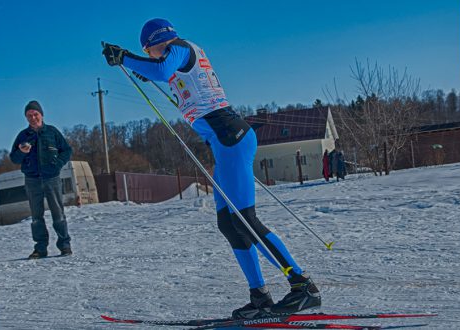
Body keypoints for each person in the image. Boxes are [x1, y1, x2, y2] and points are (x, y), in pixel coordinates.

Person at [102, 18, 320, 319]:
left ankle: (303, 286)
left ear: (154, 43)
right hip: (224, 146)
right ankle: (259, 295)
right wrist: (141, 67)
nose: (151, 56)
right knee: (228, 223)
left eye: (148, 51)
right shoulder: (174, 59)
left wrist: (126, 58)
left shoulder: (180, 48)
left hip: (232, 139)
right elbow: (166, 74)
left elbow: (163, 69)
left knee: (245, 220)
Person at [9, 100, 73, 259]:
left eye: (35, 114)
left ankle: (65, 245)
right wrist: (22, 152)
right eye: (29, 115)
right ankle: (40, 248)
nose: (33, 118)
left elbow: (67, 150)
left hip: (52, 179)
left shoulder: (52, 132)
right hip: (32, 180)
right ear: (26, 118)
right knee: (36, 217)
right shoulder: (23, 136)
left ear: (41, 115)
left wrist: (57, 164)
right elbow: (14, 159)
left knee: (58, 214)